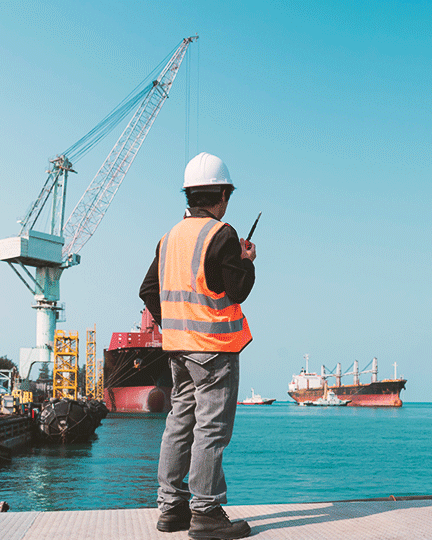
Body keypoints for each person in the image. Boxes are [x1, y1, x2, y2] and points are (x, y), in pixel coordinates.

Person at [139, 152, 256, 540]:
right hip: (214, 347)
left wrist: (173, 321)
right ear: (222, 194)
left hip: (177, 349)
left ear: (188, 195)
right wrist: (247, 260)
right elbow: (237, 289)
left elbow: (147, 290)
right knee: (211, 428)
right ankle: (205, 511)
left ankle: (171, 508)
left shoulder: (168, 237)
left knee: (178, 421)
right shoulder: (221, 235)